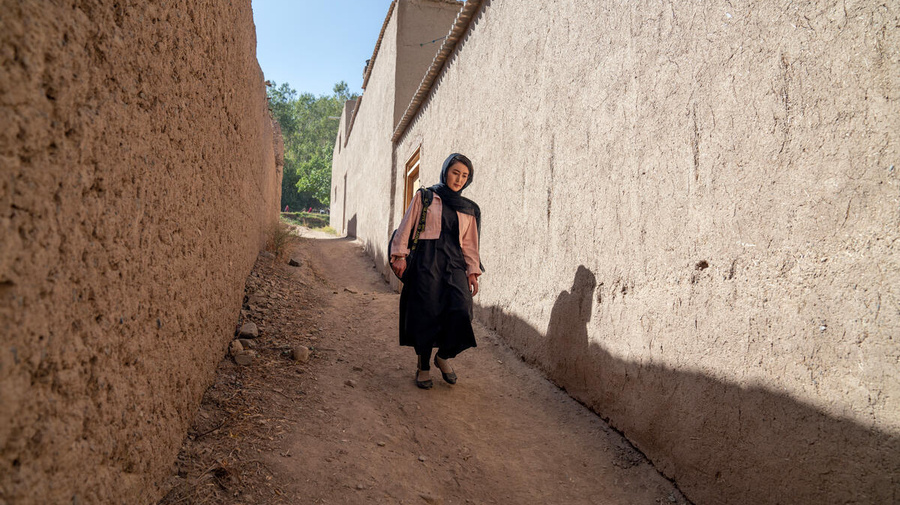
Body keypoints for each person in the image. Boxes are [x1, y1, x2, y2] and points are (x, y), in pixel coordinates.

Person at [390, 153, 483, 389]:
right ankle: (423, 366)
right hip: (426, 261)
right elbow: (407, 225)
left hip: (454, 264)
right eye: (455, 173)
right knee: (426, 313)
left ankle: (443, 356)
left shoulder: (469, 208)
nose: (459, 179)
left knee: (462, 310)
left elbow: (471, 243)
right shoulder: (426, 196)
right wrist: (399, 255)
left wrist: (472, 271)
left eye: (465, 175)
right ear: (445, 171)